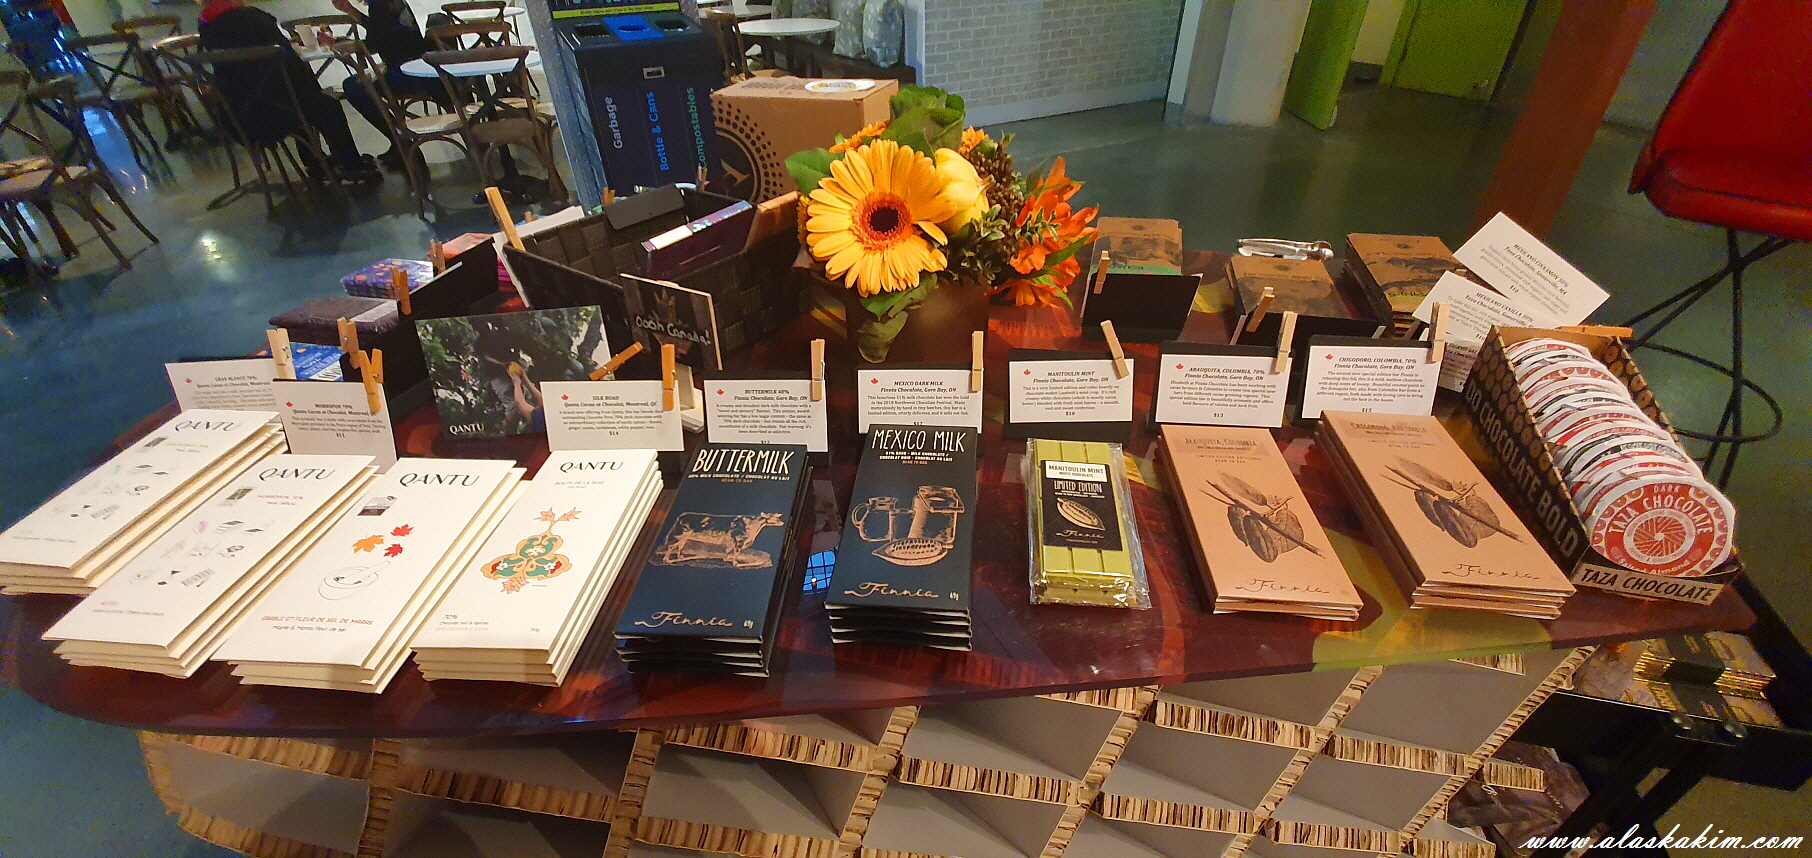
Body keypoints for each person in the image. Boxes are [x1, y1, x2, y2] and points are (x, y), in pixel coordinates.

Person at [197, 0, 382, 183]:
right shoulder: (255, 18)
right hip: (280, 115)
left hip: (237, 120)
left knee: (298, 101)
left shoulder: (206, 26)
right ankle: (351, 165)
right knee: (323, 105)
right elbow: (292, 66)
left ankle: (315, 164)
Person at [330, 0, 445, 170]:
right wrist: (352, 12)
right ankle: (399, 141)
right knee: (359, 84)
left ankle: (398, 140)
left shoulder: (378, 5)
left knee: (354, 87)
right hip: (421, 66)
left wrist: (347, 46)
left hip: (406, 73)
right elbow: (381, 31)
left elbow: (375, 44)